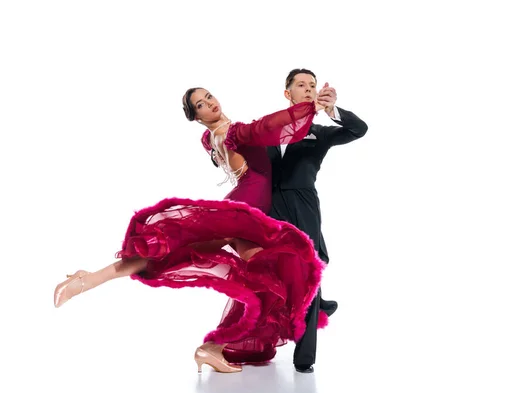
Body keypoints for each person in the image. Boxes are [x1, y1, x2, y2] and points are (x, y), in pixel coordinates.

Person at [53, 87, 329, 373]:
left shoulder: (210, 138)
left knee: (265, 278)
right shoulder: (234, 132)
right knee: (176, 254)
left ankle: (213, 348)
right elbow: (270, 126)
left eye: (209, 97)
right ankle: (87, 281)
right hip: (242, 213)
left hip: (245, 215)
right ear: (196, 117)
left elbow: (268, 134)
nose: (210, 103)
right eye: (201, 104)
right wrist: (311, 107)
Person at [267, 68, 368, 373]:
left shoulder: (320, 133)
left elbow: (358, 129)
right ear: (288, 94)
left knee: (309, 273)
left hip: (303, 206)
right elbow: (239, 148)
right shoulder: (267, 129)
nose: (308, 89)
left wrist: (332, 110)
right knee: (274, 275)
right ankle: (317, 305)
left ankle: (304, 356)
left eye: (312, 84)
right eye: (301, 84)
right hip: (269, 207)